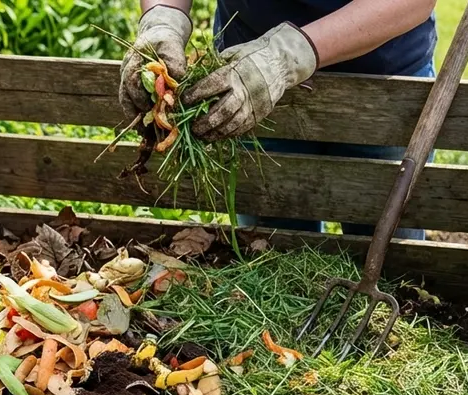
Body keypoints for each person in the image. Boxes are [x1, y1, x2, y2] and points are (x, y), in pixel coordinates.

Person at [119, 0, 438, 240]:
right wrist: (163, 18)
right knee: (272, 248)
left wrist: (286, 56)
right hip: (247, 79)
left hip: (380, 85)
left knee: (393, 266)